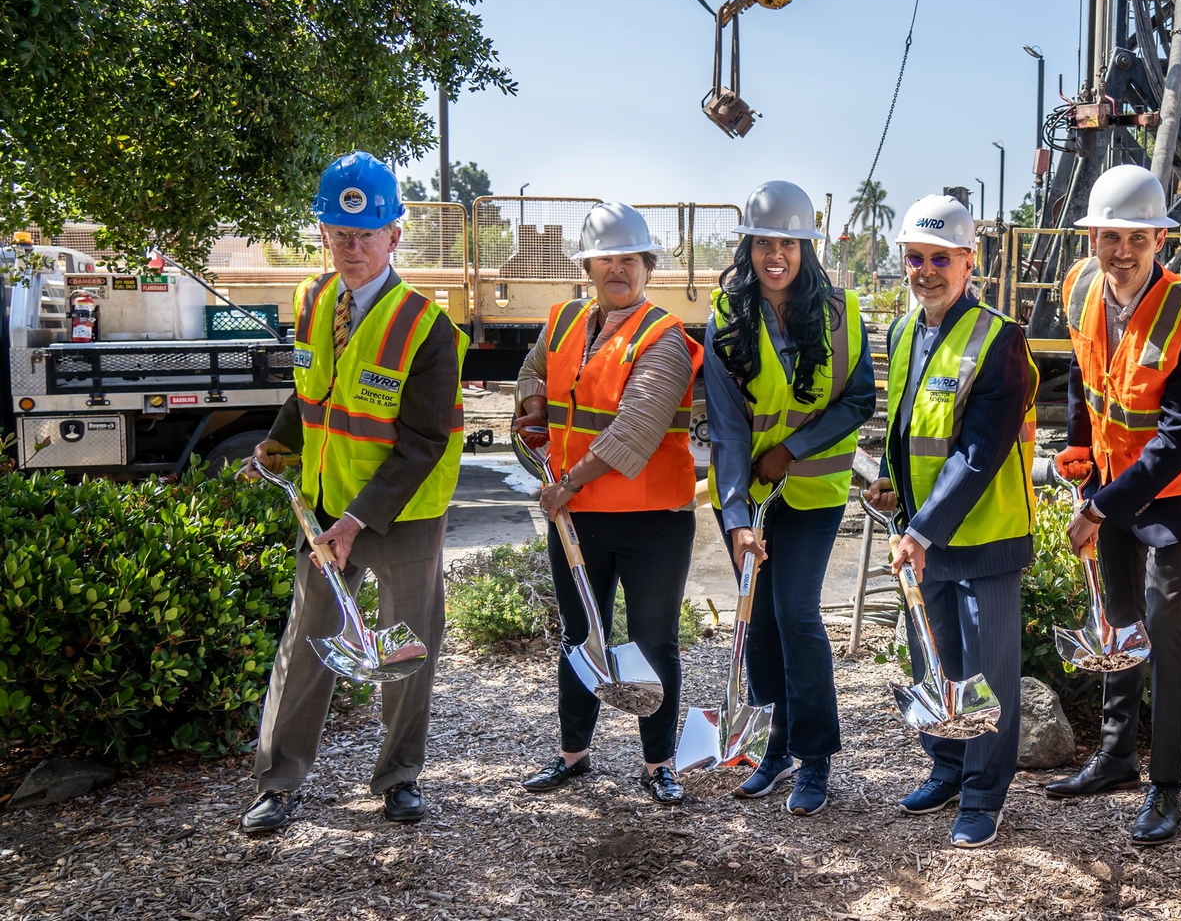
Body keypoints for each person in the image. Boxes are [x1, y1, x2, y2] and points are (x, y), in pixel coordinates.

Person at [242, 152, 468, 833]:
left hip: (401, 515)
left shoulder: (428, 327)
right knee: (305, 644)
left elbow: (423, 443)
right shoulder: (312, 300)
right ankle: (277, 784)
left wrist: (358, 520)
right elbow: (313, 390)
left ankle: (399, 778)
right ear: (322, 235)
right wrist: (278, 443)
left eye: (366, 235)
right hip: (322, 508)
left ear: (395, 236)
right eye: (340, 236)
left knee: (404, 647)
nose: (352, 249)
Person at [1042, 164, 1181, 845]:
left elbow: (1178, 441)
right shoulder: (1081, 286)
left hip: (1176, 494)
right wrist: (1078, 446)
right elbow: (1083, 373)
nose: (1121, 251)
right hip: (1113, 481)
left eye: (1137, 239)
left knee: (1161, 624)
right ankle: (1118, 758)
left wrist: (1097, 509)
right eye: (1109, 236)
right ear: (1093, 236)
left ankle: (1167, 786)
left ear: (1160, 238)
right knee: (1118, 620)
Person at [863, 194, 1038, 849]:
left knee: (986, 671)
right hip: (925, 538)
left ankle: (985, 795)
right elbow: (911, 430)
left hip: (983, 541)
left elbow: (980, 452)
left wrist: (920, 529)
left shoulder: (1000, 338)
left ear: (969, 261)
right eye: (916, 257)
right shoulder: (903, 331)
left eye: (941, 257)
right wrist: (895, 490)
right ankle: (946, 766)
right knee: (933, 663)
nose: (927, 269)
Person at [512, 203, 702, 804]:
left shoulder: (665, 338)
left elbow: (635, 430)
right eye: (606, 259)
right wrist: (531, 408)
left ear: (648, 266)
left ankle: (659, 764)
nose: (617, 269)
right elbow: (531, 373)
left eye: (630, 259)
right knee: (578, 634)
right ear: (588, 266)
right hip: (578, 518)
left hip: (652, 522)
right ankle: (573, 755)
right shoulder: (565, 321)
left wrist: (566, 483)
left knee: (653, 640)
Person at [704, 181, 874, 816]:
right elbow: (724, 425)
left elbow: (859, 400)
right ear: (748, 246)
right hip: (752, 496)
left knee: (797, 613)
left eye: (788, 243)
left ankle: (814, 759)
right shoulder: (726, 317)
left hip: (813, 492)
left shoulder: (840, 312)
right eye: (764, 243)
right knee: (762, 622)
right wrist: (736, 513)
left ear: (807, 246)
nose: (776, 255)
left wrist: (791, 452)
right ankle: (772, 749)